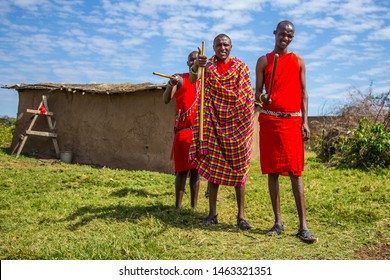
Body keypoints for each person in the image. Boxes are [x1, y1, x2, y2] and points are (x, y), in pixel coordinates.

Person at [255, 20, 317, 243]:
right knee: (272, 171)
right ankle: (278, 222)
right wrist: (264, 98)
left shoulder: (298, 60)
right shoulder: (264, 61)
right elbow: (257, 94)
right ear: (275, 33)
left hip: (292, 122)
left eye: (290, 35)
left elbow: (304, 94)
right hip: (270, 122)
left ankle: (303, 226)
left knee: (295, 171)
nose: (286, 37)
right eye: (283, 33)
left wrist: (305, 121)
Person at [189, 34, 254, 230]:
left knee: (240, 169)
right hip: (213, 124)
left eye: (226, 44)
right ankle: (212, 214)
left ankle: (241, 216)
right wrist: (196, 67)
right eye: (219, 45)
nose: (222, 47)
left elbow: (246, 97)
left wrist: (239, 121)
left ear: (231, 47)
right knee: (212, 168)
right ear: (214, 47)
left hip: (237, 127)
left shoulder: (241, 68)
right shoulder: (206, 66)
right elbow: (193, 79)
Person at [163, 51, 200, 209]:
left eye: (197, 60)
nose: (194, 62)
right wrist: (170, 84)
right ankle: (178, 206)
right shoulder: (179, 78)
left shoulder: (207, 81)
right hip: (184, 132)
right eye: (192, 60)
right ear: (187, 63)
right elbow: (166, 99)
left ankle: (194, 206)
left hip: (200, 132)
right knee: (182, 171)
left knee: (196, 171)